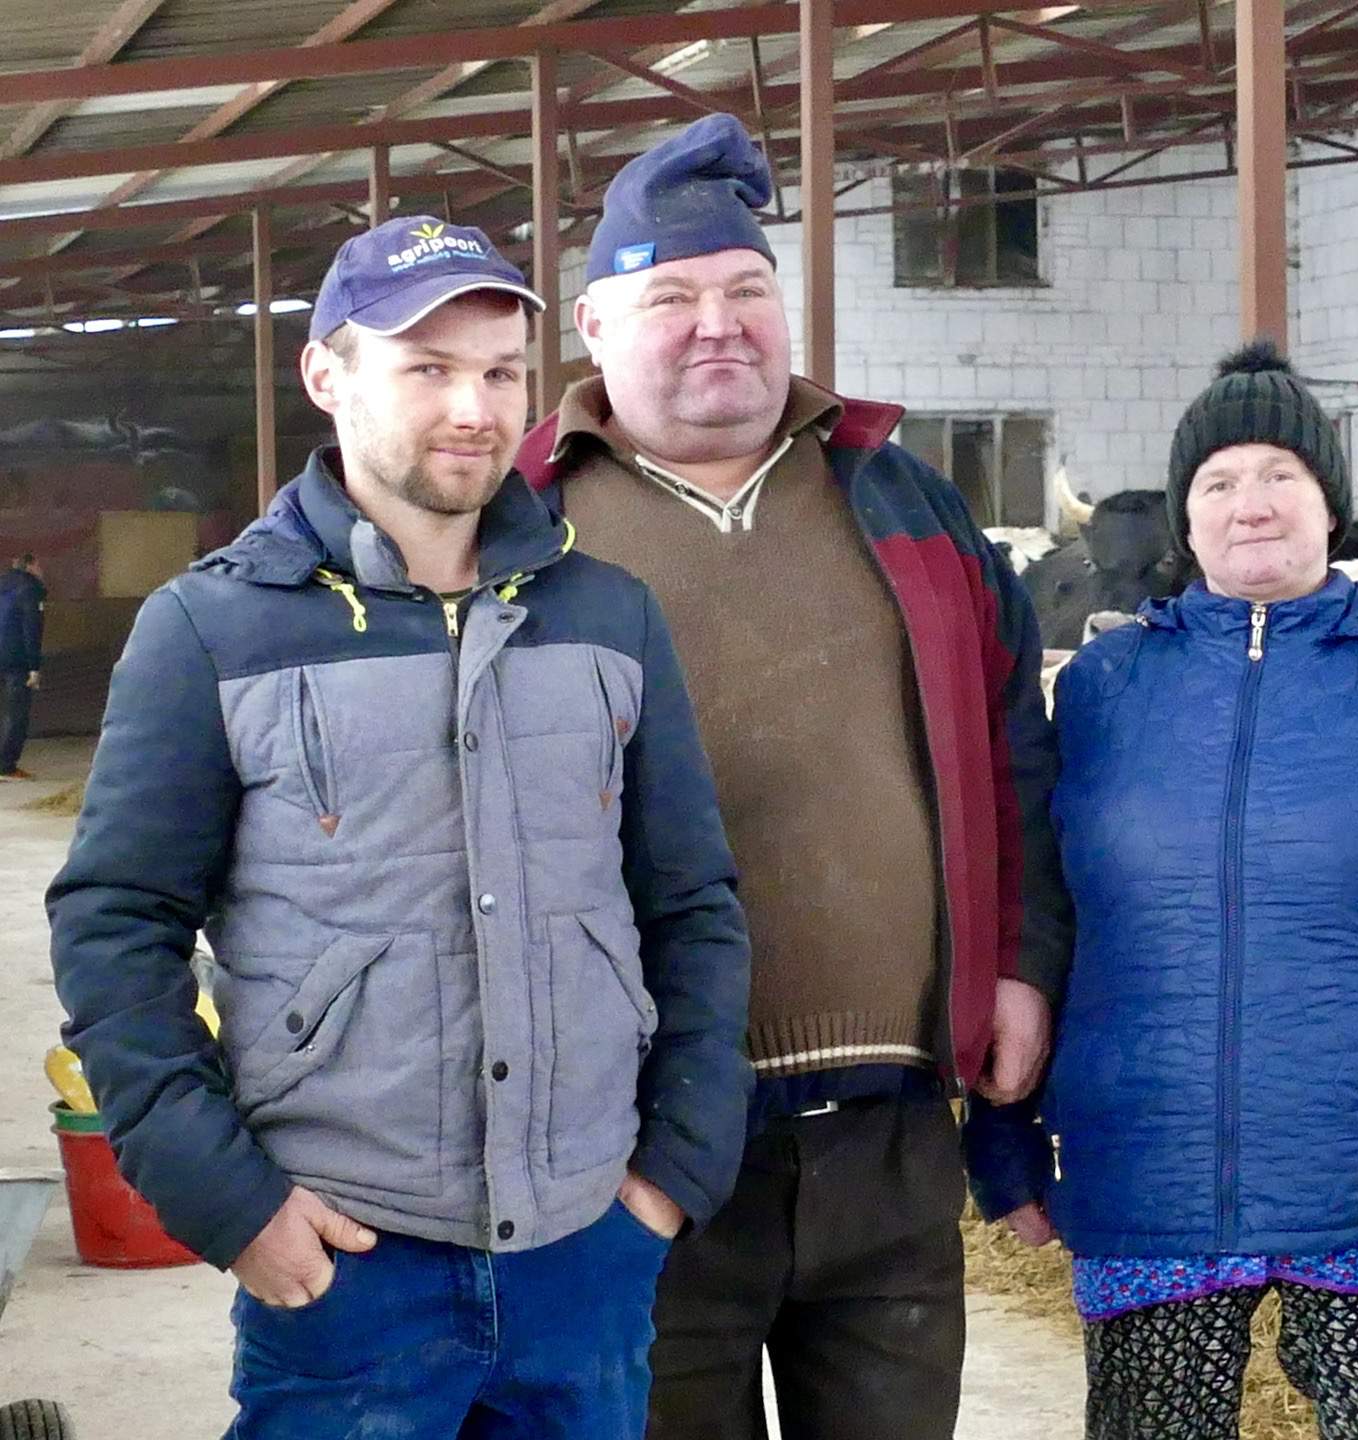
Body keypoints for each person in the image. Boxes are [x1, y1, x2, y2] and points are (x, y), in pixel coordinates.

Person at [47, 215, 753, 1439]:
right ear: (328, 375)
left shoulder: (608, 616)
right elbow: (115, 927)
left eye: (497, 371)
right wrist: (230, 1204)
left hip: (586, 1251)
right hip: (346, 1263)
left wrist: (671, 1179)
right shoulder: (211, 629)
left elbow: (692, 903)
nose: (473, 408)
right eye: (426, 369)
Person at [514, 114, 1070, 1440]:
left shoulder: (903, 501)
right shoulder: (520, 526)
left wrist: (1020, 963)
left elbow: (1013, 753)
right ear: (595, 325)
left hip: (888, 1131)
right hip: (634, 1143)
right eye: (673, 297)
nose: (719, 324)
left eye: (747, 290)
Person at [966, 342, 1358, 1440]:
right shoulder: (1106, 688)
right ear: (1187, 520)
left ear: (1330, 504)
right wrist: (1004, 1148)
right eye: (1219, 481)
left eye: (1281, 475)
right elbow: (1037, 921)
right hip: (1145, 1179)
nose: (1252, 504)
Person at [0, 552, 44, 779]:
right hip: (16, 660)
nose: (41, 571)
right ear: (30, 566)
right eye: (39, 566)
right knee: (15, 713)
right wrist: (34, 667)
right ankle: (6, 765)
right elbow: (31, 629)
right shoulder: (30, 588)